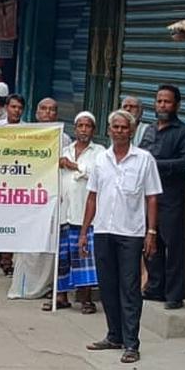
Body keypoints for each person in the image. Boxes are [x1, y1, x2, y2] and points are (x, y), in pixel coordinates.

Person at [80, 110, 162, 364]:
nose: (118, 131)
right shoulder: (101, 160)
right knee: (107, 285)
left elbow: (151, 197)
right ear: (109, 129)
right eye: (114, 127)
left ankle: (131, 343)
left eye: (123, 128)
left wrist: (151, 232)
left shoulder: (144, 159)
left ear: (132, 130)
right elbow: (92, 196)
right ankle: (113, 335)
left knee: (129, 288)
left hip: (131, 233)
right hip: (103, 230)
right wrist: (84, 231)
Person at [138, 84, 185, 310]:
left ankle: (174, 294)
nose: (162, 105)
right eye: (159, 101)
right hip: (149, 195)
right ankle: (155, 287)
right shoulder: (150, 130)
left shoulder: (184, 132)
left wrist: (157, 165)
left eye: (167, 101)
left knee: (173, 244)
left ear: (177, 105)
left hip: (172, 196)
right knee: (152, 242)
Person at [8, 97, 65, 299]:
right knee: (28, 247)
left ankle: (46, 285)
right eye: (44, 109)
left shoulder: (63, 139)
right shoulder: (26, 135)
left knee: (48, 245)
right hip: (29, 198)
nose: (48, 113)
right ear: (36, 113)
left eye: (52, 109)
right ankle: (24, 286)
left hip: (50, 199)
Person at [49, 111, 105, 313]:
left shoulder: (100, 152)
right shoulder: (66, 149)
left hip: (84, 214)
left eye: (87, 126)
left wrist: (74, 166)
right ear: (75, 128)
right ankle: (61, 297)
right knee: (62, 257)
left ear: (93, 130)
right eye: (80, 126)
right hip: (64, 211)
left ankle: (86, 300)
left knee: (84, 257)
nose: (83, 129)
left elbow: (95, 175)